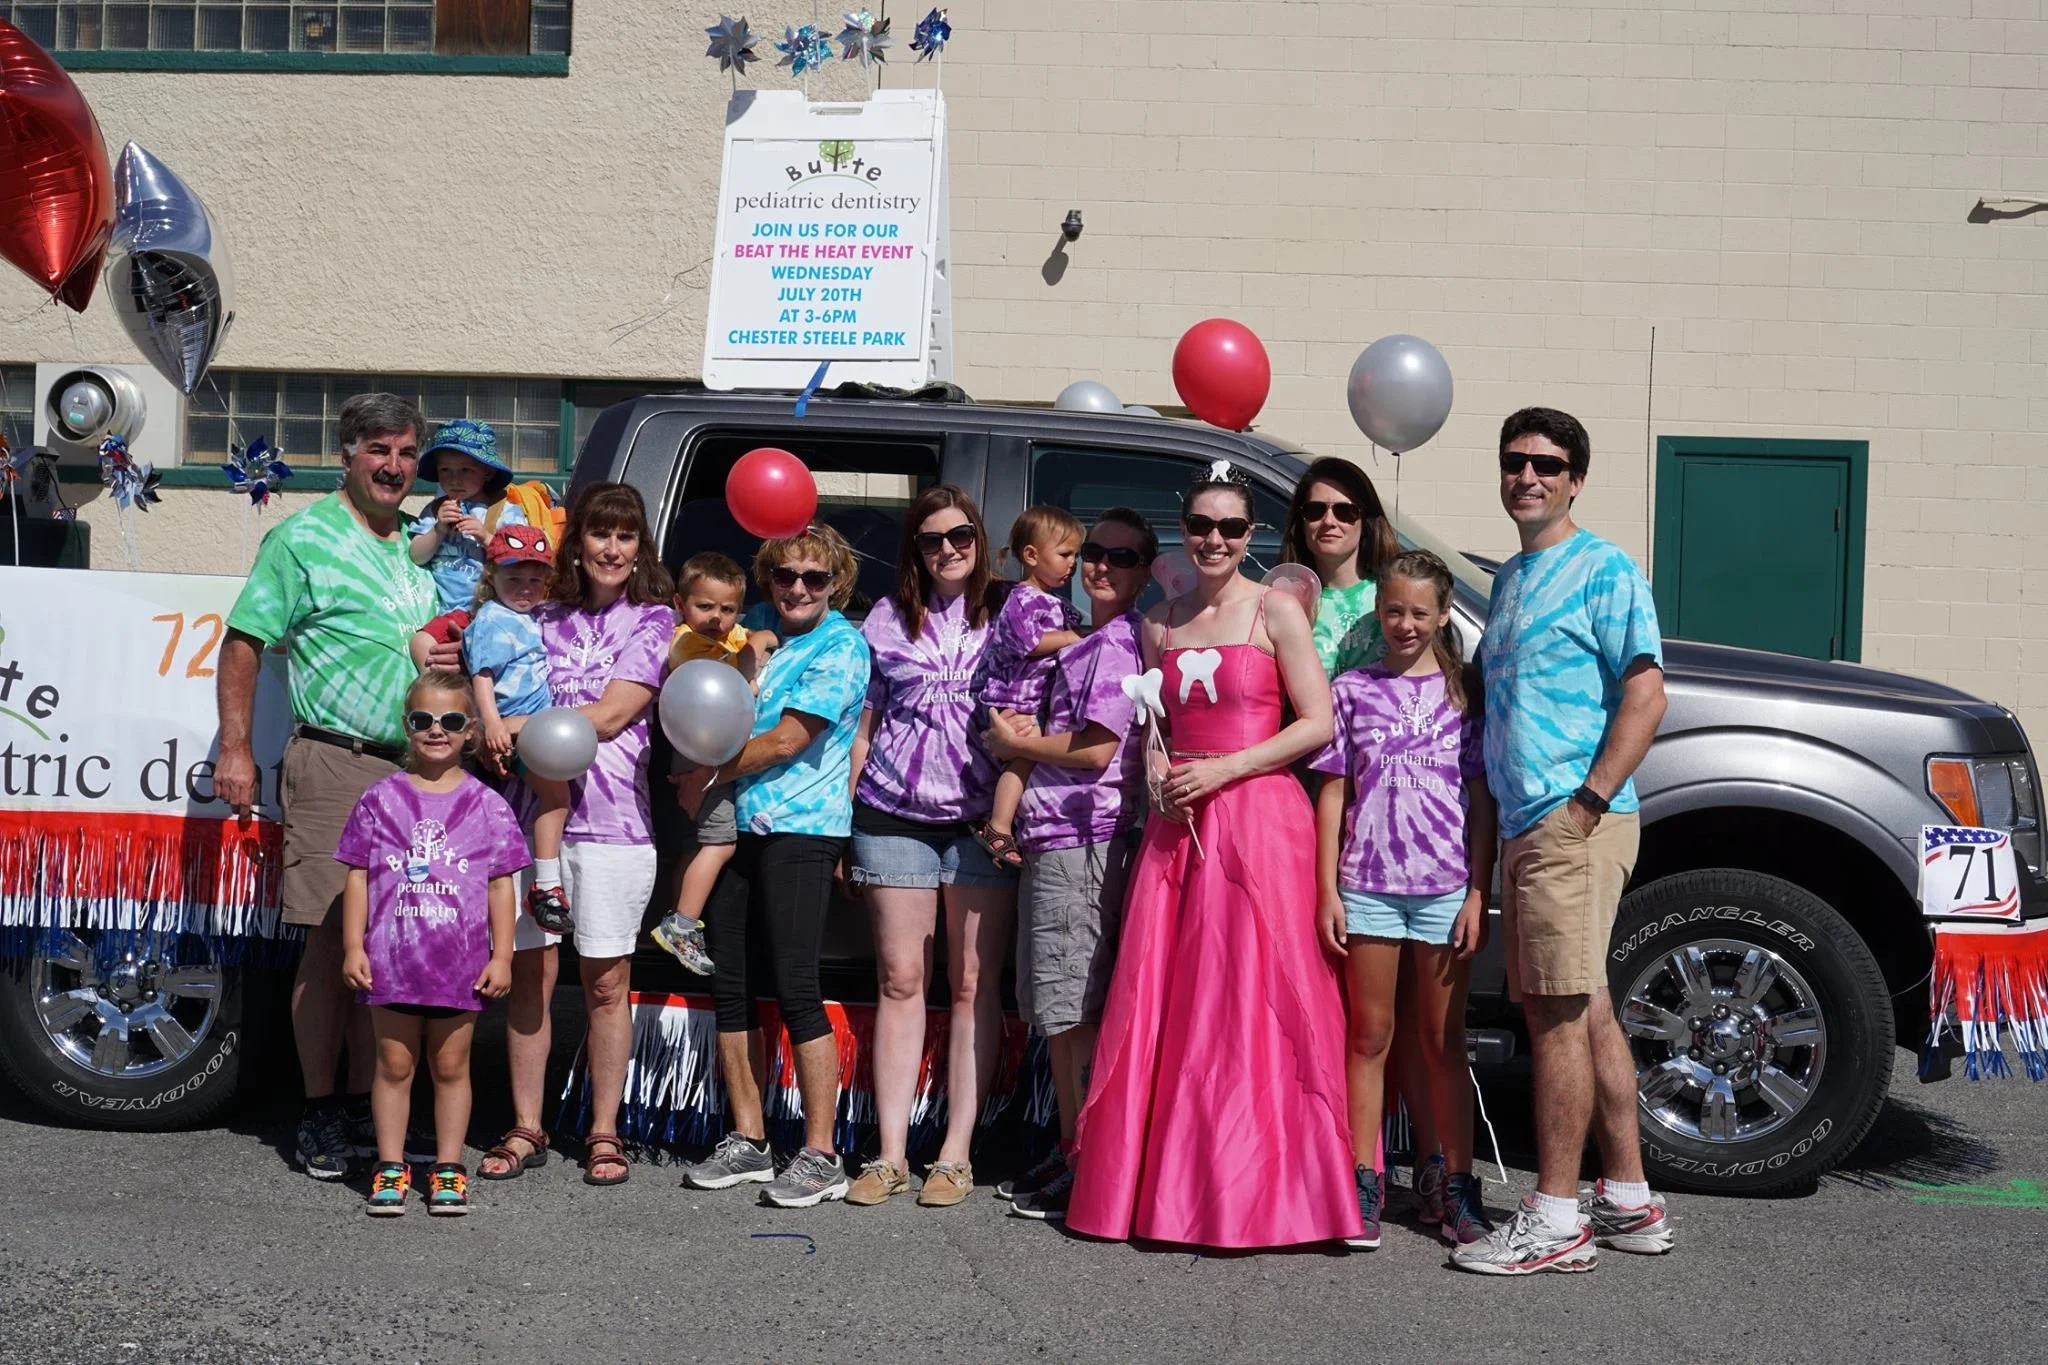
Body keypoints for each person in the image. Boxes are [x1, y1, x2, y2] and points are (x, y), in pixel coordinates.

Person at [1065, 463, 1361, 1249]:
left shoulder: (1277, 610)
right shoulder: (1157, 623)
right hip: (1178, 832)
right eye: (1202, 526)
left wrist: (1228, 769)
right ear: (1183, 529)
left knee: (1250, 1005)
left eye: (1231, 528)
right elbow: (1154, 726)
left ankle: (1269, 1193)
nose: (1215, 540)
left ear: (1252, 535)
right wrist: (1161, 771)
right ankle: (1167, 1188)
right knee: (1181, 1005)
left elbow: (1318, 724)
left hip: (1260, 821)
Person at [1453, 406, 1672, 1275]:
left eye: (1546, 463)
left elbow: (1647, 692)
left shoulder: (1603, 568)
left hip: (1570, 820)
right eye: (1515, 461)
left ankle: (1553, 1213)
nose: (1528, 476)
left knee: (1550, 1016)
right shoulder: (1510, 577)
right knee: (1588, 1007)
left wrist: (1585, 802)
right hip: (1532, 823)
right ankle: (1627, 1199)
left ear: (1577, 476)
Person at [217, 392, 441, 1182]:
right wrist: (238, 747)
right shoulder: (303, 539)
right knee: (323, 935)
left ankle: (363, 1101)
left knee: (391, 944)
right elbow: (245, 641)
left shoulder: (414, 545)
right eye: (379, 449)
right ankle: (316, 1108)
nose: (394, 466)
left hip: (419, 771)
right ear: (347, 454)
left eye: (407, 452)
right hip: (335, 760)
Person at [477, 483, 674, 1189]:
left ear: (638, 546)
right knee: (532, 975)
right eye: (599, 534)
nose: (612, 548)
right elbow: (487, 668)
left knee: (607, 979)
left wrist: (518, 726)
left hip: (615, 824)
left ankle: (602, 1129)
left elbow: (616, 713)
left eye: (625, 536)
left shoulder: (654, 619)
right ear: (578, 542)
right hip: (530, 822)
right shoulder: (541, 613)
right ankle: (528, 1122)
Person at [676, 524, 871, 1208]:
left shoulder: (842, 645)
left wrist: (707, 770)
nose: (796, 588)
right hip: (738, 827)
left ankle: (821, 1152)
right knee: (730, 984)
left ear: (835, 584)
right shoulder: (758, 635)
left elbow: (790, 738)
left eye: (813, 579)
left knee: (795, 985)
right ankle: (750, 1138)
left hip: (802, 829)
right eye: (784, 575)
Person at [1311, 550, 1497, 1251]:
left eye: (1421, 612)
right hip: (1368, 887)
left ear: (1444, 614)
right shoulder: (1354, 689)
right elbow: (1334, 789)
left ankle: (1453, 1182)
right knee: (1369, 1037)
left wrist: (1479, 889)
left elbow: (1480, 800)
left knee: (1443, 1041)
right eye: (1394, 610)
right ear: (1376, 611)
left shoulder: (1461, 694)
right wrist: (1327, 884)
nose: (1406, 623)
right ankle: (1364, 1179)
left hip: (1445, 888)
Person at [837, 486, 1010, 1210]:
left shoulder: (1010, 612)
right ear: (916, 549)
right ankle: (889, 1154)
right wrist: (845, 820)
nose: (947, 549)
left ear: (980, 538)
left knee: (973, 985)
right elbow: (864, 725)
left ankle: (956, 1153)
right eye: (932, 539)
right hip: (893, 813)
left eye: (960, 535)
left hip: (981, 822)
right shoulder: (885, 617)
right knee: (901, 980)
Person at [983, 507, 1154, 1221]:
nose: (1101, 565)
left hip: (1084, 840)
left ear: (1145, 569)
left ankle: (1084, 1159)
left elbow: (1093, 750)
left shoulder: (1111, 644)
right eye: (1093, 553)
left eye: (1120, 556)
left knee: (1072, 1009)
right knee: (1058, 1008)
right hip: (1057, 840)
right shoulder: (1081, 640)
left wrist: (1011, 749)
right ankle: (1072, 1145)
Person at [337, 672, 524, 1216]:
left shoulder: (487, 805)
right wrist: (353, 946)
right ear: (406, 727)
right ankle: (391, 1167)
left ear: (470, 731)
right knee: (393, 1066)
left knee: (451, 1068)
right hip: (391, 962)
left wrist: (504, 954)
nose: (435, 731)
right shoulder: (379, 799)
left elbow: (499, 885)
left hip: (458, 966)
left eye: (450, 721)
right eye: (423, 721)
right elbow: (356, 876)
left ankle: (448, 1169)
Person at [457, 525, 574, 934]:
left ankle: (523, 883)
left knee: (541, 801)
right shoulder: (493, 619)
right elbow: (483, 677)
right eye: (513, 578)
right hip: (514, 730)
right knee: (556, 798)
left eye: (536, 579)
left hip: (530, 728)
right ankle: (545, 886)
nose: (526, 587)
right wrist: (491, 724)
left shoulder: (525, 616)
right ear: (491, 576)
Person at [651, 551, 759, 977]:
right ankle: (680, 924)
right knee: (721, 842)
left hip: (705, 747)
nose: (717, 618)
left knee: (698, 843)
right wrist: (752, 658)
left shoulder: (717, 638)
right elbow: (739, 676)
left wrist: (757, 637)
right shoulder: (688, 643)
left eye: (728, 609)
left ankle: (679, 914)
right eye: (705, 606)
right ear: (680, 603)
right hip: (702, 752)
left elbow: (754, 636)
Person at [970, 505, 1085, 870]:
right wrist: (1073, 637)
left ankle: (1006, 825)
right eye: (1065, 554)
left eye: (1076, 555)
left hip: (1032, 699)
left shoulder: (1049, 601)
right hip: (1013, 699)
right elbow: (1027, 642)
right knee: (1025, 756)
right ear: (1032, 556)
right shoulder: (1021, 599)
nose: (1073, 564)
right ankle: (998, 827)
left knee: (1028, 759)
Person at [1284, 455, 1398, 678]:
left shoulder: (1395, 596)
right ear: (1301, 522)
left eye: (1345, 512)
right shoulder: (1283, 599)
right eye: (1315, 510)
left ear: (1366, 522)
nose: (1328, 521)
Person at [407, 418, 525, 615]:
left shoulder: (505, 511)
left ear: (487, 472)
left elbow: (521, 561)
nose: (454, 479)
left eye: (465, 470)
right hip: (440, 611)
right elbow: (417, 556)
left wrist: (486, 538)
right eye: (445, 470)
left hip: (491, 610)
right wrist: (438, 530)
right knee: (421, 644)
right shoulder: (436, 510)